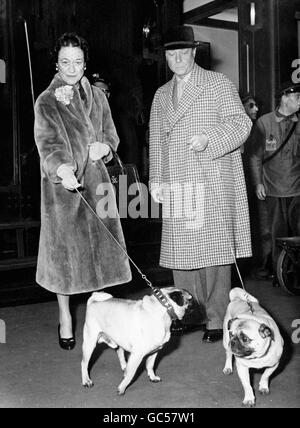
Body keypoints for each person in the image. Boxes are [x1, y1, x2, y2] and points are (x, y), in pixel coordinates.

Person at [149, 25, 252, 342]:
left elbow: (241, 124)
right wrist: (156, 179)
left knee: (214, 254)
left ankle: (216, 319)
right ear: (165, 56)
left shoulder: (217, 83)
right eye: (171, 53)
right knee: (182, 254)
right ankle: (189, 313)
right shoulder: (162, 94)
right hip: (178, 183)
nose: (177, 58)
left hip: (210, 178)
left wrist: (210, 139)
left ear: (194, 52)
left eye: (183, 52)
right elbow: (156, 142)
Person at [34, 33, 131, 350]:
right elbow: (48, 145)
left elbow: (112, 138)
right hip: (64, 191)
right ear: (56, 63)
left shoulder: (99, 98)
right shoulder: (47, 101)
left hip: (98, 187)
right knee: (64, 260)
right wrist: (63, 170)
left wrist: (105, 148)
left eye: (77, 61)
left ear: (86, 63)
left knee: (100, 261)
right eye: (65, 62)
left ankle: (101, 321)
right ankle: (65, 316)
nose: (72, 68)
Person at [250, 81, 300, 280]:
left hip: (297, 188)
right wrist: (258, 183)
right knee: (275, 233)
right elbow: (255, 156)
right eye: (297, 98)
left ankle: (296, 273)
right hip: (273, 188)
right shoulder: (264, 122)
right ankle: (279, 273)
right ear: (285, 98)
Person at [241, 96, 273, 280]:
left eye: (257, 105)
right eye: (250, 105)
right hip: (244, 185)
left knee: (262, 226)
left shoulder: (257, 129)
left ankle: (262, 265)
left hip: (256, 185)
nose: (255, 109)